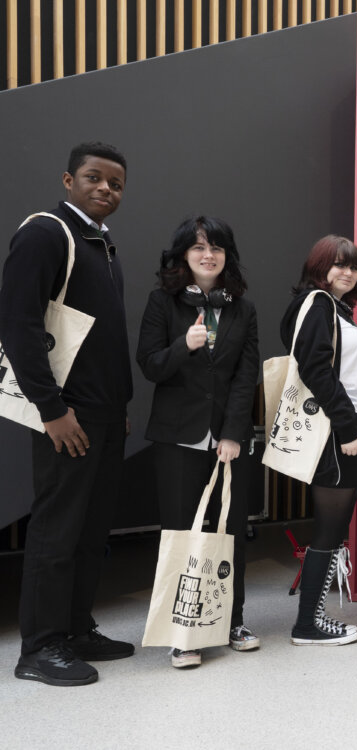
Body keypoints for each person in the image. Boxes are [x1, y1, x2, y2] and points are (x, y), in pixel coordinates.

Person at [0, 142, 133, 686]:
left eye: (116, 184)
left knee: (89, 529)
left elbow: (105, 338)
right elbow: (18, 326)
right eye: (94, 178)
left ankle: (76, 630)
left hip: (103, 415)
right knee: (57, 530)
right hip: (66, 416)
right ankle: (40, 648)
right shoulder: (44, 233)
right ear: (68, 180)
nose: (106, 188)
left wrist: (119, 404)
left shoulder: (99, 242)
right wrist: (51, 409)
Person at [136, 216, 260, 668]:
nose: (208, 255)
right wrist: (182, 346)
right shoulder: (162, 303)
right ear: (183, 255)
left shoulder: (243, 309)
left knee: (230, 534)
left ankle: (233, 620)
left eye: (217, 248)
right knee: (182, 533)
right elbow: (150, 365)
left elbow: (247, 377)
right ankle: (184, 633)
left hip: (226, 442)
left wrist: (233, 433)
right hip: (176, 439)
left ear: (227, 257)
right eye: (198, 247)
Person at [282, 235, 357, 646]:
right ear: (319, 267)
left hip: (344, 425)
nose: (347, 272)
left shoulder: (336, 309)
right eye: (338, 264)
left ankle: (312, 618)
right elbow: (315, 368)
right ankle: (308, 624)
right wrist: (347, 426)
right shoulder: (317, 304)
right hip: (339, 429)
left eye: (353, 266)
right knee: (330, 529)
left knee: (335, 529)